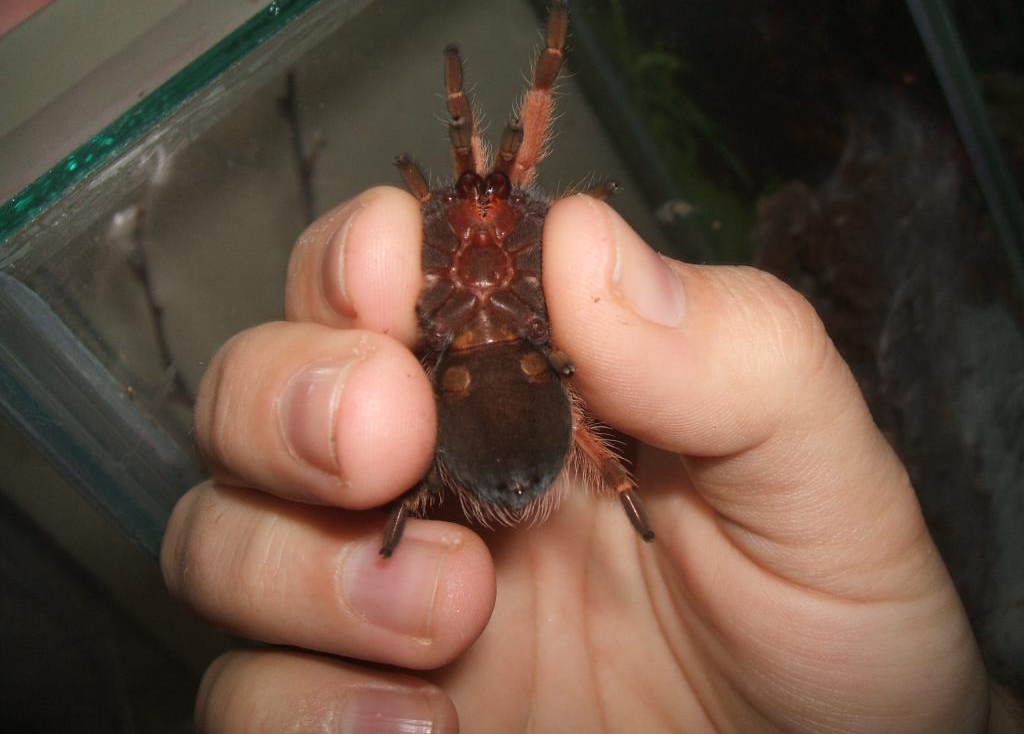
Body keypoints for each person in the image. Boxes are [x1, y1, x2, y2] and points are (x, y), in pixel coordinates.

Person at [161, 188, 1022, 732]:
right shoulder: (452, 288)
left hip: (497, 399)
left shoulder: (523, 280)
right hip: (497, 404)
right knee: (381, 415)